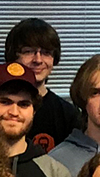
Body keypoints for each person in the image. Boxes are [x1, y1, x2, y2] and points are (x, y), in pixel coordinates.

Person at [6, 17, 81, 147]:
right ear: (13, 56)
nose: (38, 60)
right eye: (29, 51)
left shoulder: (68, 114)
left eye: (46, 53)